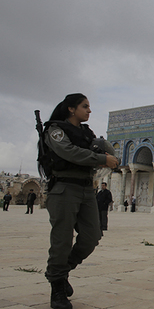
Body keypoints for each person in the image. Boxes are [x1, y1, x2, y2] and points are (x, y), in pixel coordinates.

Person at [42, 93, 119, 309]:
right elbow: (68, 152)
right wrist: (102, 159)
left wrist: (106, 154)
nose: (89, 110)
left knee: (92, 236)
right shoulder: (55, 130)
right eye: (85, 106)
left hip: (86, 190)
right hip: (65, 188)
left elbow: (95, 153)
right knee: (62, 239)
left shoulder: (87, 134)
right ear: (71, 109)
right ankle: (57, 289)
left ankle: (61, 271)